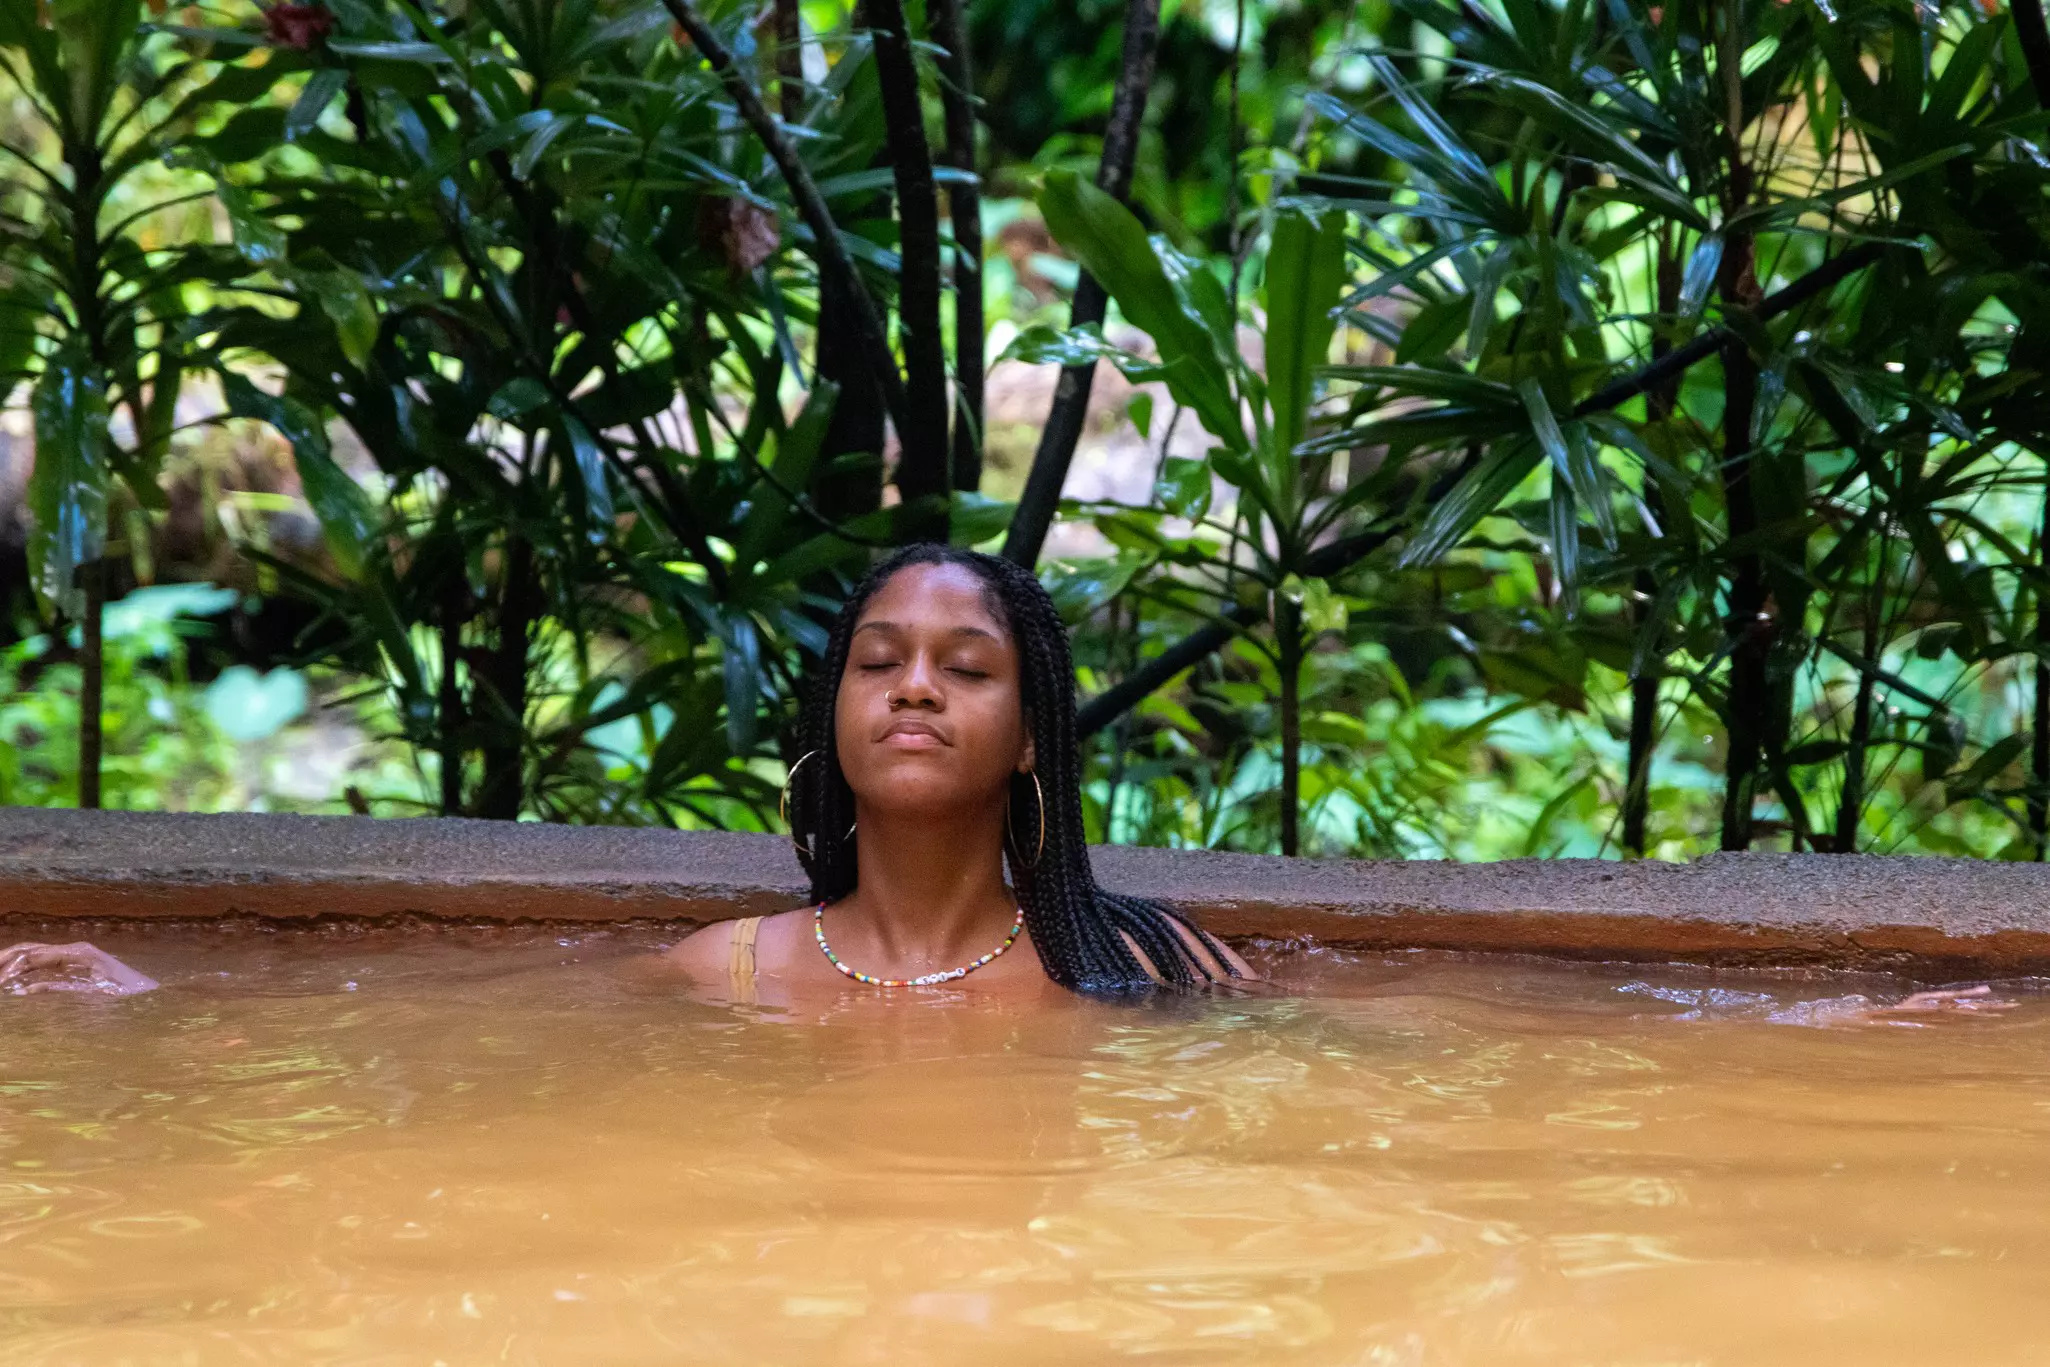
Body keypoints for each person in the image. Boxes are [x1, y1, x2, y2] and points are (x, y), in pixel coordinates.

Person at [1, 545, 1250, 1002]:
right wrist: (156, 989)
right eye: (879, 660)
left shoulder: (1133, 963)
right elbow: (439, 1024)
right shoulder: (732, 968)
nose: (913, 686)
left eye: (965, 667)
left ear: (1035, 733)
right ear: (836, 706)